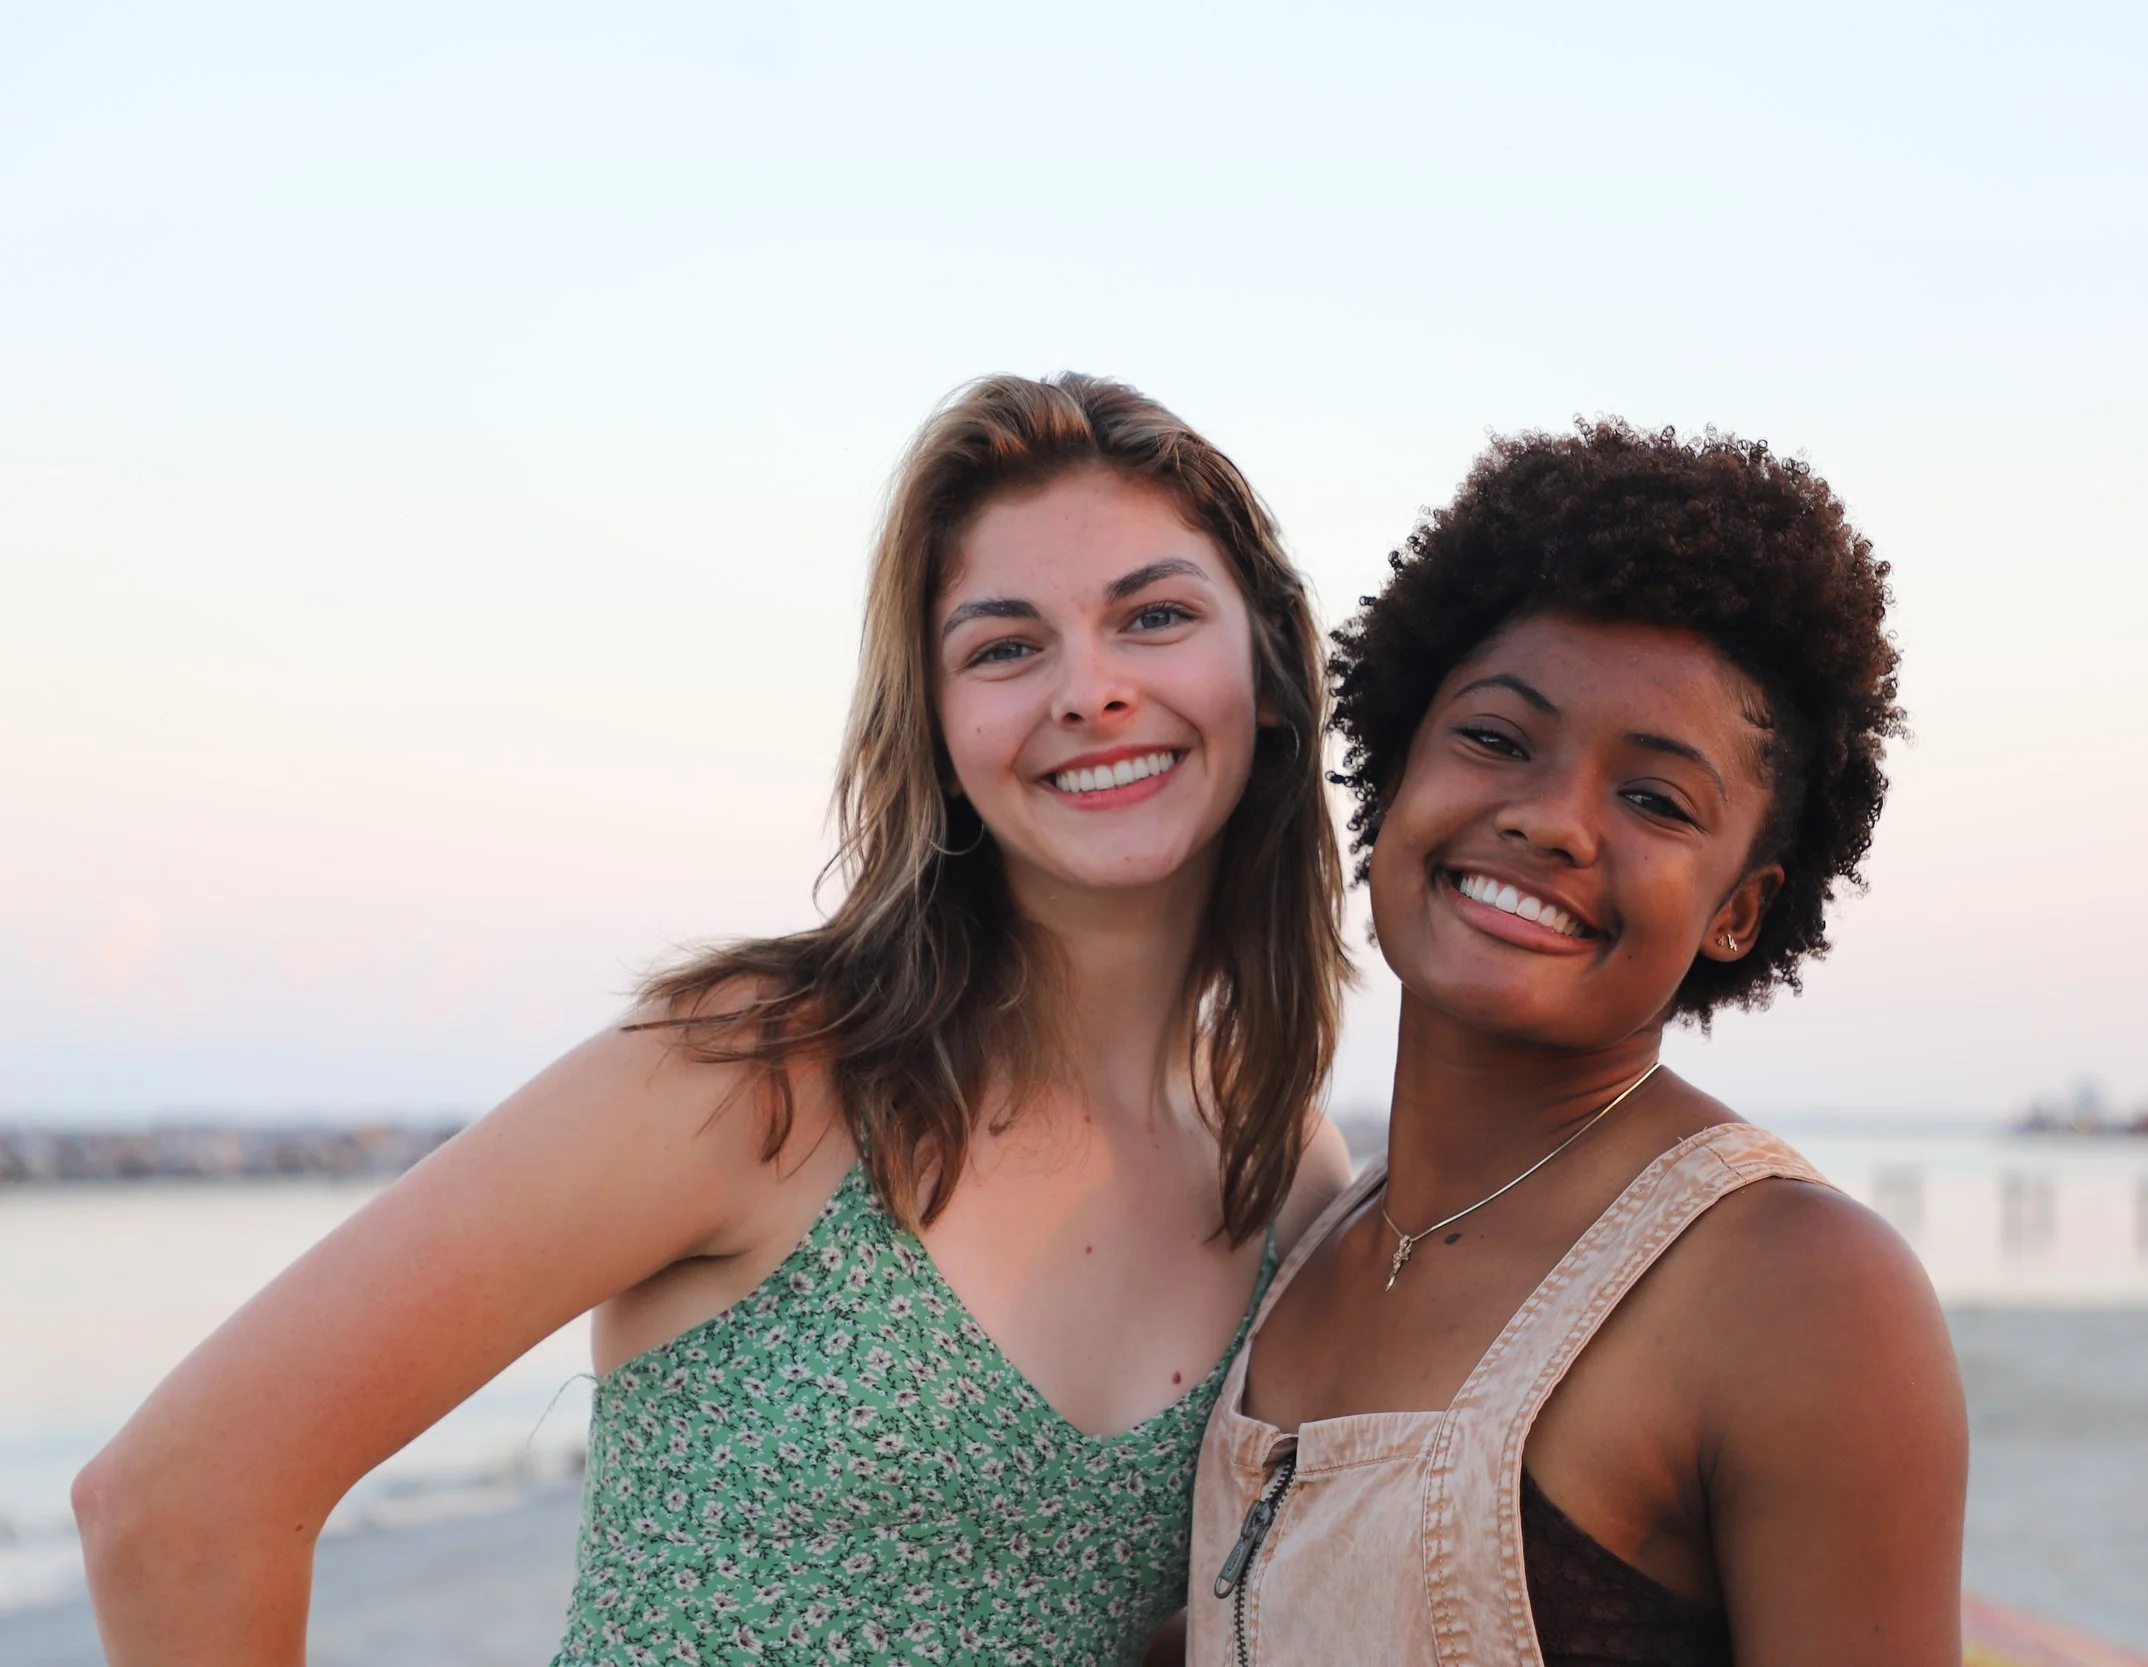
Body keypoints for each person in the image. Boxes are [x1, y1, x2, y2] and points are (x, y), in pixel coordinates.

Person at [74, 373, 1352, 1666]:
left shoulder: (1285, 1167)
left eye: (1156, 614)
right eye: (1006, 645)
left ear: (1270, 666)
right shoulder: (757, 1076)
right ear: (939, 723)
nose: (1091, 687)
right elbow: (177, 1504)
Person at [1190, 421, 1967, 1665]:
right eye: (1496, 738)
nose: (1551, 819)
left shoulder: (1799, 1286)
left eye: (1655, 798)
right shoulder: (1309, 1239)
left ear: (1738, 909)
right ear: (1392, 771)